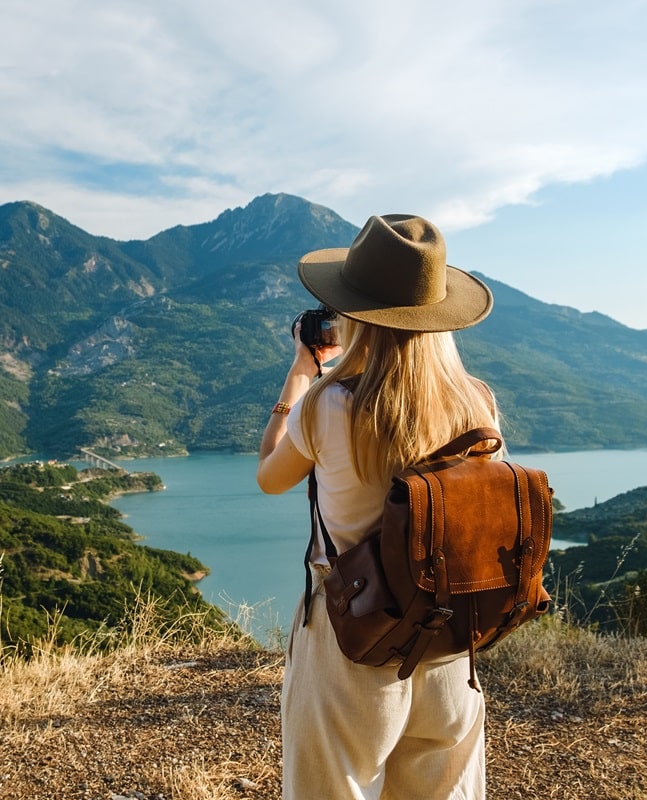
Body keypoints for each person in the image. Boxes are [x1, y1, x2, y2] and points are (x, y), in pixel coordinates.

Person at [257, 214, 498, 800]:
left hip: (352, 644)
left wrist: (298, 376)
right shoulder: (478, 406)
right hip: (446, 645)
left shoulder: (328, 404)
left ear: (353, 314)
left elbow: (270, 476)